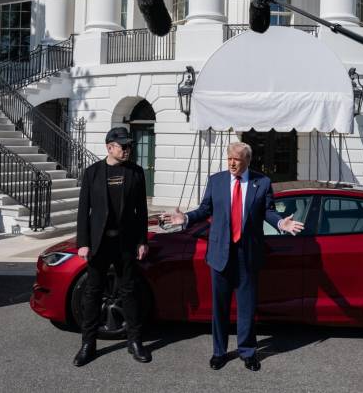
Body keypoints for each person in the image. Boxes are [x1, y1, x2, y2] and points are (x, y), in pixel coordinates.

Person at [162, 142, 304, 371]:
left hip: (247, 255)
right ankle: (219, 351)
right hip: (220, 254)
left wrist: (280, 222)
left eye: (236, 159)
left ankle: (247, 351)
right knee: (220, 307)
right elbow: (205, 209)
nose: (232, 163)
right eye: (229, 158)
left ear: (247, 160)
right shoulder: (216, 181)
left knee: (247, 307)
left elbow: (267, 211)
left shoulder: (262, 182)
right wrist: (186, 219)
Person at [73, 127, 150, 367]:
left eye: (129, 146)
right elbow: (83, 210)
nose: (127, 149)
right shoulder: (93, 173)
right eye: (122, 146)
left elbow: (141, 212)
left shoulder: (136, 173)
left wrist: (142, 240)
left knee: (129, 291)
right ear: (109, 147)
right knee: (93, 293)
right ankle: (88, 344)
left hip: (125, 242)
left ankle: (135, 341)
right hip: (99, 243)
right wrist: (83, 242)